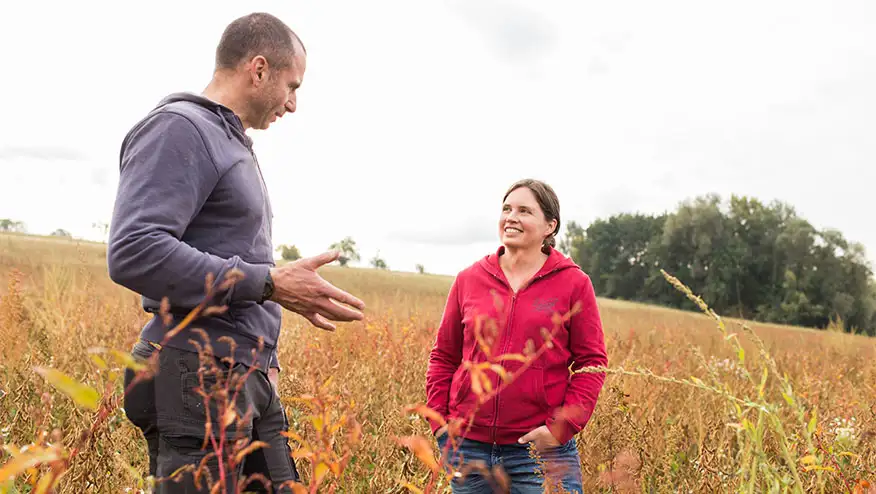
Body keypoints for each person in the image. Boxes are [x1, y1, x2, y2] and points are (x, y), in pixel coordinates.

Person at [106, 12, 366, 493]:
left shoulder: (231, 143)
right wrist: (269, 282)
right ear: (259, 69)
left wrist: (272, 288)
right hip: (196, 371)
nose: (292, 104)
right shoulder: (181, 128)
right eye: (292, 86)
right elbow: (134, 250)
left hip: (245, 371)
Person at [424, 179, 608, 493]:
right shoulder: (469, 280)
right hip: (470, 449)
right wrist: (440, 424)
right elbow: (444, 356)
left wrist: (559, 430)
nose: (511, 217)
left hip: (540, 453)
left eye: (524, 211)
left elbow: (592, 363)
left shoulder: (574, 283)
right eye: (507, 209)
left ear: (550, 225)